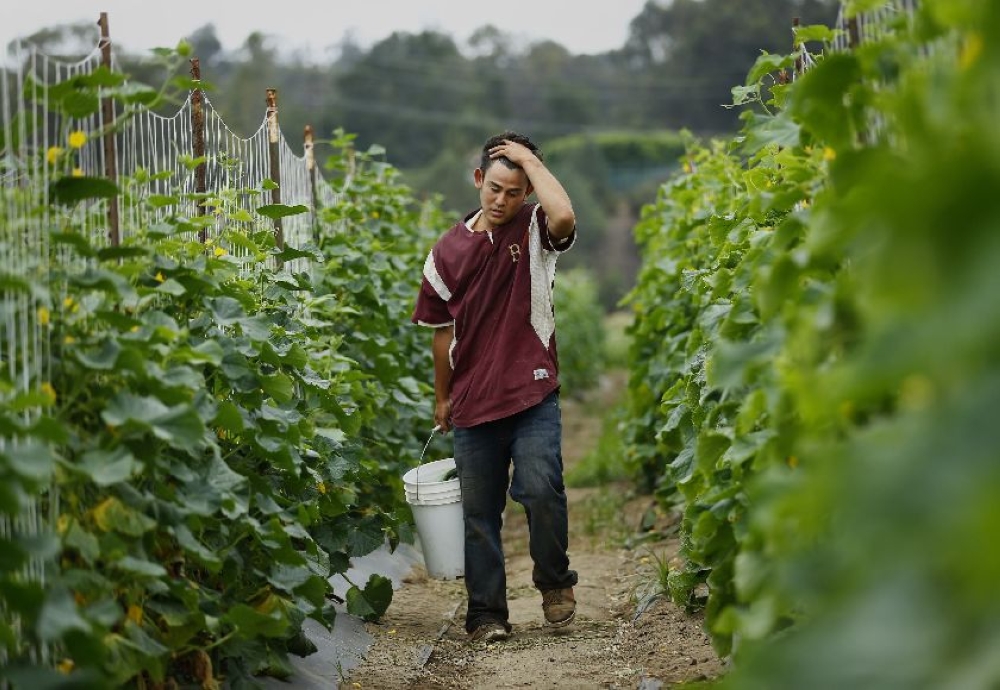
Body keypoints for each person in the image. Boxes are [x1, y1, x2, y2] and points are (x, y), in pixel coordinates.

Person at [411, 131, 579, 643]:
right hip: (473, 403)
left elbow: (566, 217)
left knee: (541, 487)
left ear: (527, 192)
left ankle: (553, 580)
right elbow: (442, 336)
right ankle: (486, 615)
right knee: (479, 514)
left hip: (531, 392)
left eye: (515, 191)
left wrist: (527, 158)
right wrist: (442, 397)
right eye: (496, 189)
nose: (503, 201)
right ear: (479, 180)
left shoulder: (535, 229)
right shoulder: (446, 253)